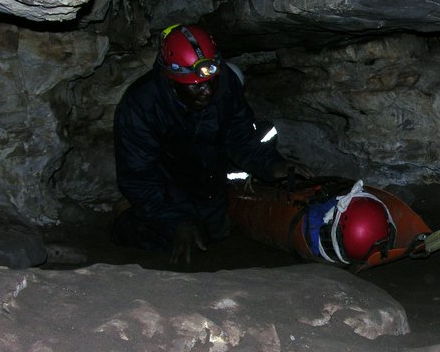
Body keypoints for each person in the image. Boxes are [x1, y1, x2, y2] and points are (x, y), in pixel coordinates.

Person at [112, 23, 312, 264]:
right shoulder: (141, 106)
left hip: (206, 177)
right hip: (165, 185)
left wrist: (272, 164)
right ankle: (125, 215)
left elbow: (239, 135)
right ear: (172, 80)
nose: (206, 91)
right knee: (177, 239)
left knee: (213, 234)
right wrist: (176, 222)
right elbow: (138, 176)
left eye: (210, 81)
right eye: (196, 85)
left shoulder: (224, 84)